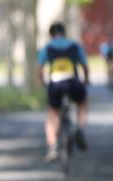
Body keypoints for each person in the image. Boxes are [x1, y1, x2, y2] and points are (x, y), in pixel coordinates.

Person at [37, 21, 90, 161]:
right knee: (82, 103)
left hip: (55, 84)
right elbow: (84, 66)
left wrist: (42, 81)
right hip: (73, 82)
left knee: (52, 113)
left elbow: (40, 69)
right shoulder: (75, 45)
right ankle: (80, 127)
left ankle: (52, 146)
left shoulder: (47, 48)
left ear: (51, 35)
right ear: (64, 33)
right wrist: (86, 80)